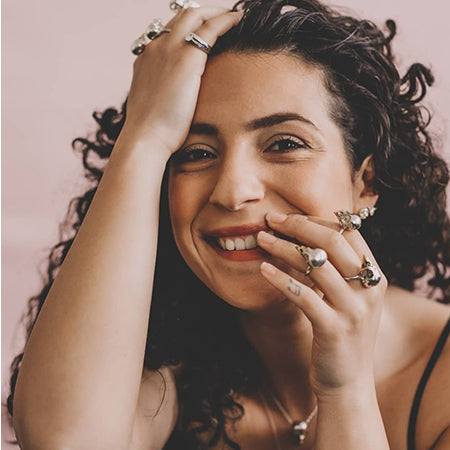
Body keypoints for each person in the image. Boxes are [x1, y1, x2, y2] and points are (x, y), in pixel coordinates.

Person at [5, 0, 450, 448]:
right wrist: (143, 138)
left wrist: (346, 391)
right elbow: (65, 441)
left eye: (284, 144)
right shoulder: (167, 367)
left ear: (366, 180)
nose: (231, 192)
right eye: (195, 153)